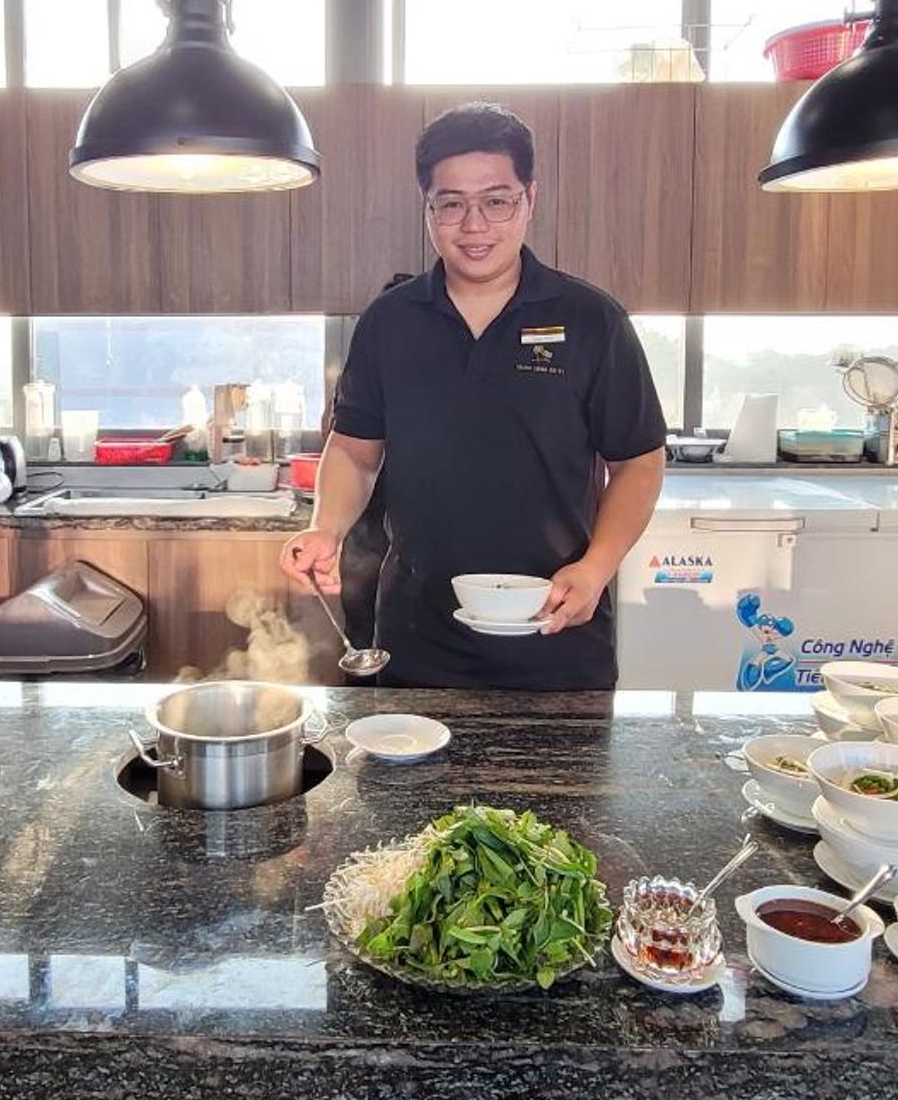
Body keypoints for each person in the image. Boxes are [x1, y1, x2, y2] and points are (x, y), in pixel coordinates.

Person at [280, 103, 667, 688]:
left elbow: (638, 463)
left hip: (557, 627)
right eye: (452, 204)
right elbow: (355, 452)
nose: (474, 225)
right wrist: (326, 529)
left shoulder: (591, 320)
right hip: (418, 636)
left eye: (496, 200)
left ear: (530, 198)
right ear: (428, 209)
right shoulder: (390, 322)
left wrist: (596, 567)